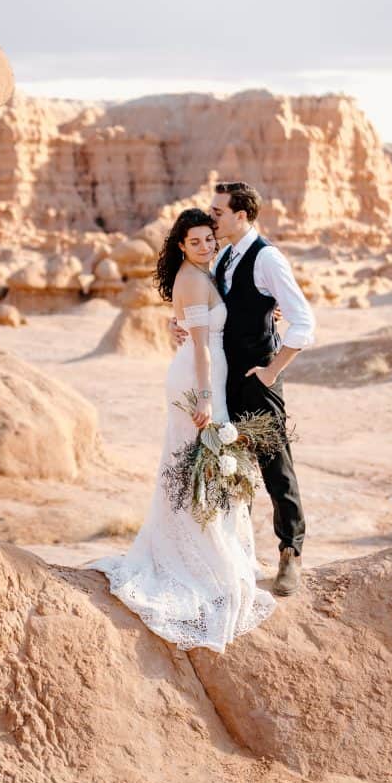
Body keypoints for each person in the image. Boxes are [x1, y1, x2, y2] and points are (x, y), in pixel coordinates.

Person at [83, 208, 277, 653]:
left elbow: (214, 317)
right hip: (196, 379)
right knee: (198, 465)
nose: (206, 246)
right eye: (196, 242)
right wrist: (206, 398)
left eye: (210, 238)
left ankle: (208, 549)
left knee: (203, 467)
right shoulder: (191, 279)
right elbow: (203, 350)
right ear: (181, 246)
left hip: (206, 375)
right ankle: (194, 560)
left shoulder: (208, 270)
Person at [171, 182, 315, 596]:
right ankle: (239, 554)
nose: (211, 217)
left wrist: (272, 371)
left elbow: (304, 321)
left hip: (257, 377)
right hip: (224, 378)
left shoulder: (267, 257)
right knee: (231, 467)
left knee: (275, 465)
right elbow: (207, 305)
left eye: (218, 212)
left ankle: (290, 552)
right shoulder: (223, 256)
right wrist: (176, 323)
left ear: (241, 215)